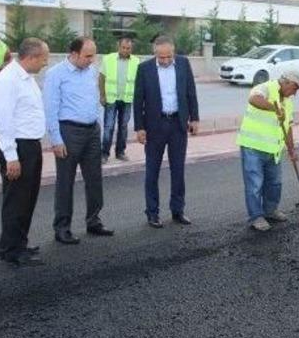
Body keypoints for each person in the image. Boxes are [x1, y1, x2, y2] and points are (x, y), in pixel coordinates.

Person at [44, 36, 113, 245]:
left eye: (94, 55)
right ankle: (62, 227)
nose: (92, 60)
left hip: (92, 131)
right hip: (68, 132)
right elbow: (50, 109)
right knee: (66, 181)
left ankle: (94, 221)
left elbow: (92, 99)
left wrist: (97, 124)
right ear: (74, 54)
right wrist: (56, 139)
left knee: (95, 179)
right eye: (88, 56)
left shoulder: (90, 71)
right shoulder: (55, 74)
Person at [133, 35, 199, 228]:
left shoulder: (183, 64)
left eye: (169, 56)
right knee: (152, 172)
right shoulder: (144, 69)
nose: (165, 60)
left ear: (173, 52)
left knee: (178, 170)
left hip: (178, 124)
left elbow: (191, 92)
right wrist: (139, 128)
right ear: (155, 54)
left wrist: (194, 118)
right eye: (161, 57)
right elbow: (138, 100)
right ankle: (152, 213)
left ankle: (178, 210)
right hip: (155, 126)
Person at [0, 38, 49, 266]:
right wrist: (11, 157)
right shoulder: (8, 80)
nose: (45, 64)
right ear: (32, 57)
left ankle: (20, 242)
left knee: (27, 197)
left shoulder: (27, 78)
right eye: (44, 60)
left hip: (30, 144)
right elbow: (3, 121)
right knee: (16, 199)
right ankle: (10, 249)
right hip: (17, 147)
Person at [236, 71, 299, 232]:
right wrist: (274, 107)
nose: (295, 92)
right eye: (295, 88)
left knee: (274, 183)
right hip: (253, 146)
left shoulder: (288, 101)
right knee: (254, 184)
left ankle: (270, 210)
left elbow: (288, 127)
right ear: (286, 83)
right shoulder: (265, 88)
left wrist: (292, 150)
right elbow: (253, 99)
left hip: (274, 149)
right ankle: (256, 216)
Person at [99, 36, 139, 164]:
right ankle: (104, 153)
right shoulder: (108, 59)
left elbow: (138, 82)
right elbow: (101, 78)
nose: (126, 50)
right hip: (111, 99)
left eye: (128, 48)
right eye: (123, 48)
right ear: (118, 46)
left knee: (123, 127)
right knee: (108, 126)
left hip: (127, 99)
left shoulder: (136, 61)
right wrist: (102, 95)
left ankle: (120, 152)